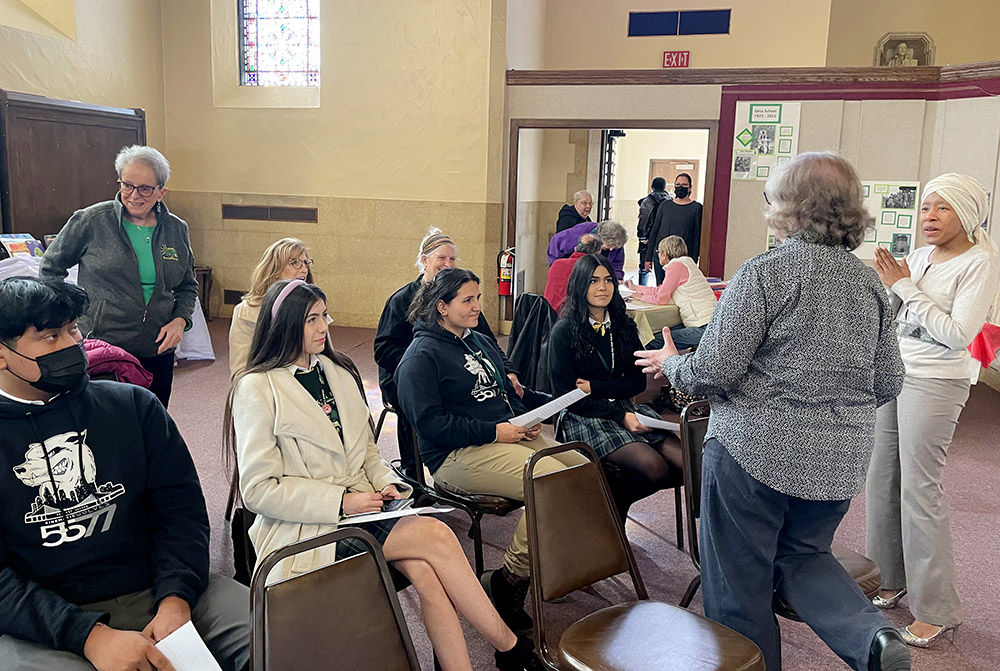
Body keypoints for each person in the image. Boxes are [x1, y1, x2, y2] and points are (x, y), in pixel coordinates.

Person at [635, 152, 910, 671]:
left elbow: (712, 374)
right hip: (839, 461)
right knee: (804, 557)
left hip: (752, 456)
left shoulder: (765, 274)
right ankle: (871, 637)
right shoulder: (871, 284)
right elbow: (889, 381)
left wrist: (672, 363)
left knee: (738, 584)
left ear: (789, 208)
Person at [227, 279, 544, 671]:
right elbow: (258, 491)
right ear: (286, 325)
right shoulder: (257, 387)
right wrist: (342, 502)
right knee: (438, 536)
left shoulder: (338, 371)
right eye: (311, 319)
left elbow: (369, 452)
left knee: (428, 574)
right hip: (308, 528)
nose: (324, 326)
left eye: (324, 315)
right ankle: (512, 651)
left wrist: (386, 483)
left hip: (364, 509)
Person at [0, 277, 249, 671]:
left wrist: (175, 600)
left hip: (162, 588)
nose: (71, 345)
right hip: (47, 619)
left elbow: (180, 510)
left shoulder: (134, 405)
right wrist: (88, 636)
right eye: (50, 337)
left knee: (281, 638)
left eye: (73, 329)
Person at [394, 268, 588, 634]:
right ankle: (508, 581)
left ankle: (554, 566)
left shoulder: (478, 341)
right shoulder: (420, 356)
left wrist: (523, 419)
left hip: (501, 437)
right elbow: (430, 425)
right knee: (547, 481)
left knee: (582, 469)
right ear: (441, 306)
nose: (477, 306)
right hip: (456, 456)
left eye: (477, 298)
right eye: (467, 300)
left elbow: (500, 396)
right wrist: (495, 431)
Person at [867, 174, 1000, 648]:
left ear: (965, 215)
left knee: (920, 488)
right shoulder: (920, 257)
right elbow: (900, 314)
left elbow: (958, 334)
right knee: (882, 477)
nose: (929, 217)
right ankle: (888, 576)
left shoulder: (979, 262)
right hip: (896, 373)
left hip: (936, 382)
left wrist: (905, 286)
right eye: (926, 208)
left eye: (942, 209)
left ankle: (936, 608)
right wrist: (891, 289)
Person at [40, 145, 196, 409]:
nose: (134, 195)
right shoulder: (91, 220)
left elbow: (187, 286)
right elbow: (51, 269)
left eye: (145, 188)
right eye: (127, 185)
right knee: (107, 425)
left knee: (153, 422)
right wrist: (68, 318)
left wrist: (181, 320)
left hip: (157, 347)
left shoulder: (176, 229)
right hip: (103, 346)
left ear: (161, 192)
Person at [375, 228, 522, 478]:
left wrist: (507, 371)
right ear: (424, 261)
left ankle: (487, 450)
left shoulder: (462, 299)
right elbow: (384, 349)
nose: (447, 264)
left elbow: (486, 342)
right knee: (422, 400)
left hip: (456, 367)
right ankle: (414, 472)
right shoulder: (401, 300)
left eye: (452, 259)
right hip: (405, 374)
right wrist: (432, 366)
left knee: (479, 391)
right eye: (441, 258)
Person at [547, 254, 681, 521]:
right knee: (653, 468)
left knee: (686, 466)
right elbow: (565, 398)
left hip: (623, 407)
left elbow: (635, 382)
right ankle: (610, 519)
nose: (602, 288)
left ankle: (609, 507)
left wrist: (594, 387)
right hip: (582, 415)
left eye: (608, 280)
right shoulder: (564, 331)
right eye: (593, 281)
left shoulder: (624, 326)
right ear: (580, 286)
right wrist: (619, 413)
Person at [229, 237, 314, 376]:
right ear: (274, 272)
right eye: (295, 263)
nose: (304, 269)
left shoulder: (313, 308)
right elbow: (240, 370)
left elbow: (324, 357)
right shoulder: (246, 312)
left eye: (305, 263)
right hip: (267, 386)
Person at [625, 235, 717, 350]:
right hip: (710, 323)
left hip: (703, 326)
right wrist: (635, 288)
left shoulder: (676, 267)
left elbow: (661, 299)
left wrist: (641, 298)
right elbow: (660, 290)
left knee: (650, 340)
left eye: (658, 252)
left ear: (664, 254)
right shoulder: (688, 264)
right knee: (657, 332)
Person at [646, 173, 703, 284]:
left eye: (684, 185)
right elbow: (655, 231)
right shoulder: (665, 205)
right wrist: (648, 257)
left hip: (683, 258)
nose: (680, 187)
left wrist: (694, 259)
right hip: (662, 256)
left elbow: (697, 235)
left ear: (690, 187)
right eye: (678, 184)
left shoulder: (697, 208)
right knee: (661, 288)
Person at [547, 220, 629, 279]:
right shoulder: (581, 232)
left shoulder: (616, 241)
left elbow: (617, 264)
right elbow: (556, 242)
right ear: (600, 238)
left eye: (614, 247)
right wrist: (556, 267)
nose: (611, 249)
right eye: (609, 245)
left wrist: (616, 278)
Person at [542, 233, 602, 312]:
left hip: (547, 315)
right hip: (570, 318)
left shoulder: (556, 264)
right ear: (598, 252)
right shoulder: (591, 270)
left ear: (575, 248)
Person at [636, 177, 670, 284]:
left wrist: (642, 237)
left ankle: (642, 291)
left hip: (649, 238)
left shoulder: (648, 201)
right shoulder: (671, 201)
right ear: (665, 187)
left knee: (644, 268)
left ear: (652, 187)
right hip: (666, 239)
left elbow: (644, 221)